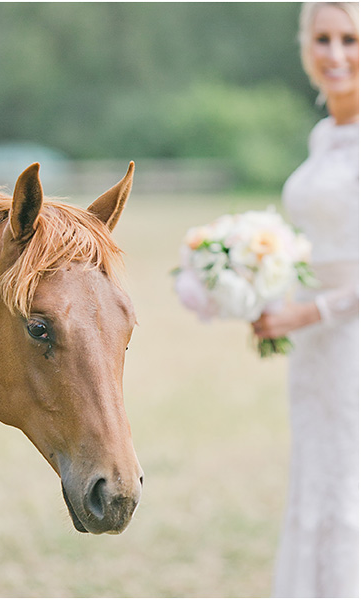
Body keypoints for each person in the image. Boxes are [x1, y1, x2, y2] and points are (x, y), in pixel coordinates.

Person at [251, 2, 359, 597]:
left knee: (348, 484)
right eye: (324, 38)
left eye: (350, 38)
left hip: (350, 341)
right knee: (314, 475)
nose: (336, 54)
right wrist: (265, 298)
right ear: (306, 47)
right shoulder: (323, 136)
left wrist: (307, 312)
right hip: (309, 346)